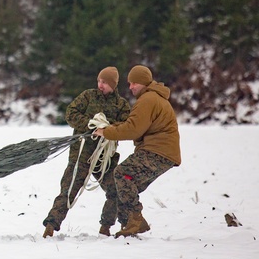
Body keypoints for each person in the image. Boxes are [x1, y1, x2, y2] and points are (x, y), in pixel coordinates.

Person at [93, 64, 181, 237]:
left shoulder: (147, 100)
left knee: (121, 174)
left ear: (144, 83)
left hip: (157, 151)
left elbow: (133, 129)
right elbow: (132, 124)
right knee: (126, 185)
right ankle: (129, 224)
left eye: (134, 83)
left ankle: (136, 221)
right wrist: (113, 127)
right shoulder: (153, 98)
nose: (131, 87)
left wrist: (106, 132)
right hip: (165, 154)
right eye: (129, 83)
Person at [42, 66, 130, 238]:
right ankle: (50, 226)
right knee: (68, 191)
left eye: (104, 82)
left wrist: (108, 128)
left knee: (116, 191)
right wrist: (91, 124)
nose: (100, 85)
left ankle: (106, 227)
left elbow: (127, 127)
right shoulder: (88, 96)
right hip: (81, 156)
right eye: (99, 81)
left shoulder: (122, 105)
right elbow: (70, 114)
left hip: (105, 159)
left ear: (113, 84)